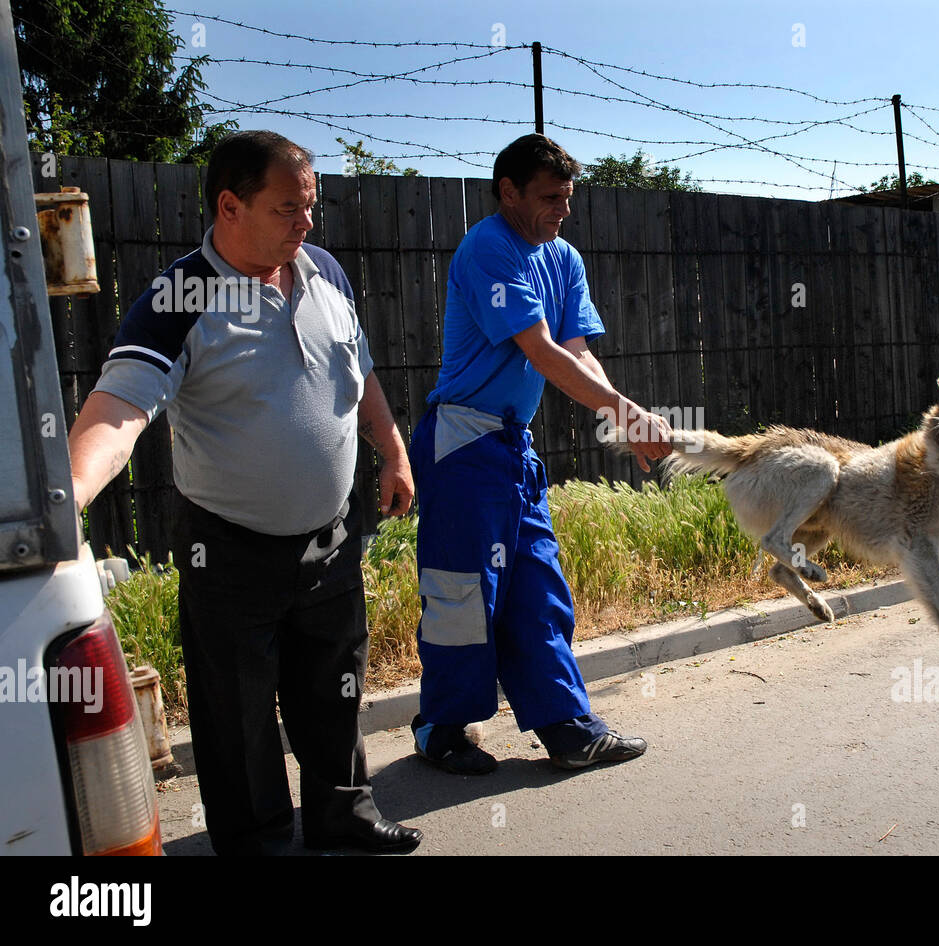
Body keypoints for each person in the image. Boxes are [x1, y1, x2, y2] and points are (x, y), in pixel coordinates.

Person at [66, 130, 423, 855]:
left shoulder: (322, 271)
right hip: (228, 550)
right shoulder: (177, 298)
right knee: (237, 710)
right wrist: (65, 493)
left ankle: (342, 812)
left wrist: (393, 450)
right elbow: (120, 409)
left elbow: (360, 375)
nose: (308, 222)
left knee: (336, 685)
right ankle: (258, 843)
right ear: (230, 206)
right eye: (289, 207)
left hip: (329, 535)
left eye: (311, 205)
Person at [409, 134, 672, 773]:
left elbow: (578, 350)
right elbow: (542, 351)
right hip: (462, 444)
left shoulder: (564, 257)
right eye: (550, 197)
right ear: (509, 192)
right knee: (462, 595)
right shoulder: (488, 248)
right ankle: (440, 730)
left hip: (511, 448)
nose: (563, 209)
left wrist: (625, 419)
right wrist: (625, 415)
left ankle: (566, 727)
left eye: (568, 197)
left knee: (537, 587)